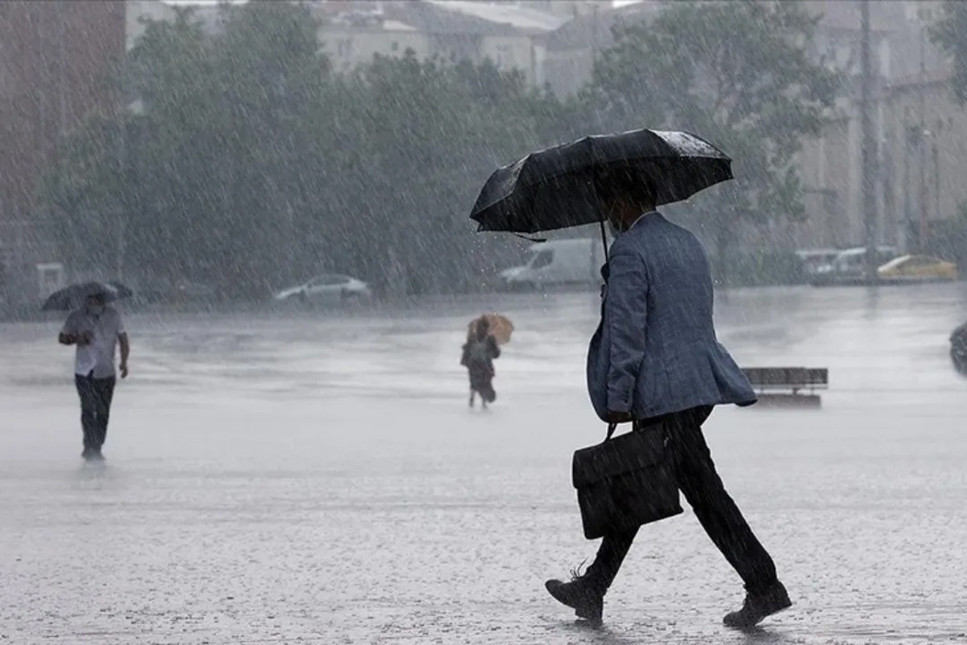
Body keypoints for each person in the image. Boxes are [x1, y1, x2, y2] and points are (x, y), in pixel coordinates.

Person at [544, 174, 790, 628]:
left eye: (609, 203)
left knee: (703, 494)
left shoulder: (630, 251)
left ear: (623, 199)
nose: (607, 216)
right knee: (637, 485)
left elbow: (628, 334)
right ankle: (593, 587)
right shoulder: (687, 242)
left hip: (662, 395)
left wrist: (618, 397)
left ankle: (764, 584)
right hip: (695, 386)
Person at [59, 292, 130, 460]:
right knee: (88, 408)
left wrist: (124, 362)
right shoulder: (76, 316)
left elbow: (123, 339)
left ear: (102, 300)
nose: (92, 303)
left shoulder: (114, 316)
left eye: (95, 300)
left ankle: (97, 443)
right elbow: (62, 338)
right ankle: (89, 445)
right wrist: (77, 338)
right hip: (83, 370)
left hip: (106, 370)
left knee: (103, 410)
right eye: (89, 299)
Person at [460, 317, 500, 408]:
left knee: (485, 384)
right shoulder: (472, 339)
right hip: (474, 364)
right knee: (474, 383)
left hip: (485, 365)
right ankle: (472, 400)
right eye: (480, 328)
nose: (482, 330)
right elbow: (467, 350)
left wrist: (494, 349)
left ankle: (484, 402)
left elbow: (496, 354)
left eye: (484, 328)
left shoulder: (490, 339)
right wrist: (466, 361)